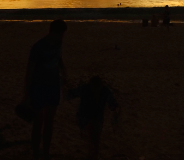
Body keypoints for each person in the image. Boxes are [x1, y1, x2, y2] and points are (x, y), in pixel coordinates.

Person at [24, 19, 68, 160]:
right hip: (38, 86)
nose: (62, 36)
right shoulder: (38, 47)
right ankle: (36, 152)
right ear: (55, 32)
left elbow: (59, 58)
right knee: (38, 122)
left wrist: (64, 72)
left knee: (50, 121)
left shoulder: (59, 43)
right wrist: (27, 92)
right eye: (62, 33)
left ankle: (46, 152)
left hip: (53, 85)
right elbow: (30, 70)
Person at [67, 76, 120, 160]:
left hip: (95, 117)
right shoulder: (88, 89)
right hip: (86, 116)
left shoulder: (103, 91)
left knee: (95, 137)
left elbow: (113, 104)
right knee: (93, 135)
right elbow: (70, 94)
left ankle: (93, 154)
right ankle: (93, 153)